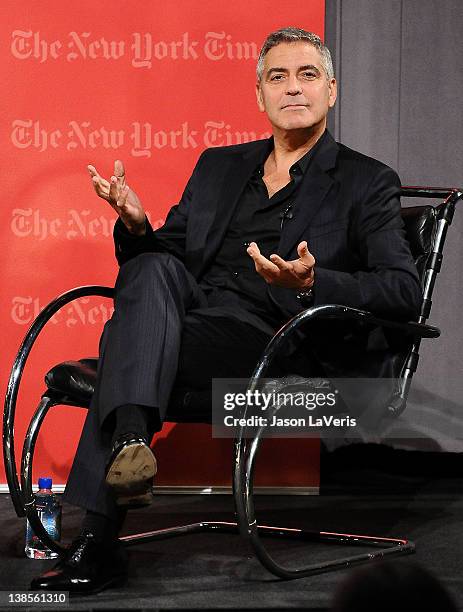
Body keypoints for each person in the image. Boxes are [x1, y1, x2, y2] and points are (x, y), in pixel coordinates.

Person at [30, 27, 422, 595]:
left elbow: (401, 291)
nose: (293, 89)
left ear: (331, 91)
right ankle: (131, 439)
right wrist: (138, 227)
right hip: (193, 318)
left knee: (129, 340)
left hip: (274, 335)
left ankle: (98, 532)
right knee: (148, 266)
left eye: (307, 75)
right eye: (277, 77)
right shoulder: (218, 166)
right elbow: (162, 264)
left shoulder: (367, 181)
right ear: (259, 95)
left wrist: (314, 282)